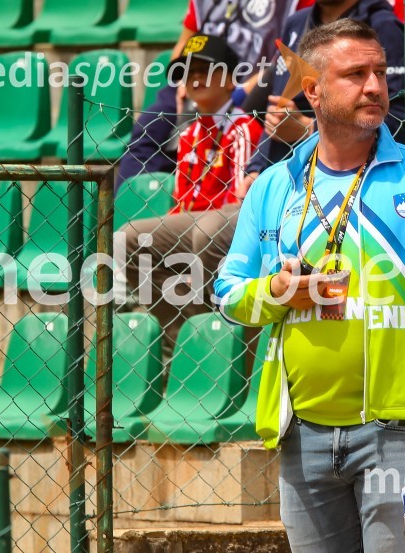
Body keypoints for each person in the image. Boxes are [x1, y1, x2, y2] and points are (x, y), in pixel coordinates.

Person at [214, 19, 405, 552]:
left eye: (380, 72)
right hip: (301, 434)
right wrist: (276, 292)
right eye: (355, 74)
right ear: (312, 90)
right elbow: (228, 294)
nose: (375, 86)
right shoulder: (274, 184)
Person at [121, 33, 263, 357]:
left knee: (206, 234)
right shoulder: (189, 133)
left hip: (223, 232)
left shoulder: (243, 128)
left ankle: (222, 349)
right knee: (126, 241)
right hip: (191, 232)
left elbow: (239, 205)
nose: (195, 78)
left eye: (205, 70)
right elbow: (181, 201)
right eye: (188, 72)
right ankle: (185, 342)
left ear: (230, 80)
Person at [116, 0, 300, 187]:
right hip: (194, 74)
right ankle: (130, 204)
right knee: (147, 127)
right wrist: (183, 81)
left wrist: (239, 91)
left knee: (230, 126)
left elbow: (290, 56)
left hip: (249, 84)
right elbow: (183, 43)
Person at [242, 0, 405, 179]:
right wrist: (256, 166)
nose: (373, 83)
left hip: (360, 175)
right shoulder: (296, 22)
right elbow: (277, 108)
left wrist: (308, 129)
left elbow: (400, 119)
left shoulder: (384, 26)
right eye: (356, 73)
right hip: (284, 174)